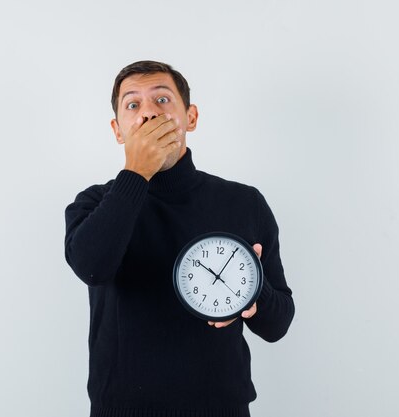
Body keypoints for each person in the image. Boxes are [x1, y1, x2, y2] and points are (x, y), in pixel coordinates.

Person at [64, 60, 294, 417]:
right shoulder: (93, 204)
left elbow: (278, 324)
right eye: (132, 105)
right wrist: (137, 171)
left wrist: (252, 292)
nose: (148, 115)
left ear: (191, 117)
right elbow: (92, 268)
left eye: (162, 100)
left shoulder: (243, 202)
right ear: (118, 129)